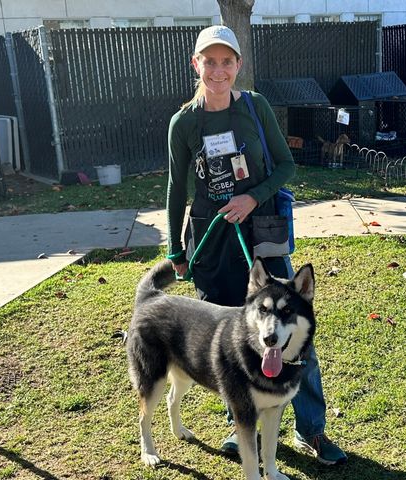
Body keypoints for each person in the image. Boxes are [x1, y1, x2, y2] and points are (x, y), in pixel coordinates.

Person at [165, 24, 347, 466]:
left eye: (227, 61)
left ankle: (312, 431)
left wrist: (252, 197)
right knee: (230, 340)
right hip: (212, 243)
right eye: (210, 61)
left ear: (238, 65)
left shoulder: (256, 107)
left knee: (293, 337)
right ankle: (240, 423)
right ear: (196, 65)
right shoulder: (184, 122)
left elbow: (286, 167)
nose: (219, 70)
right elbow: (175, 188)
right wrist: (176, 251)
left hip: (261, 234)